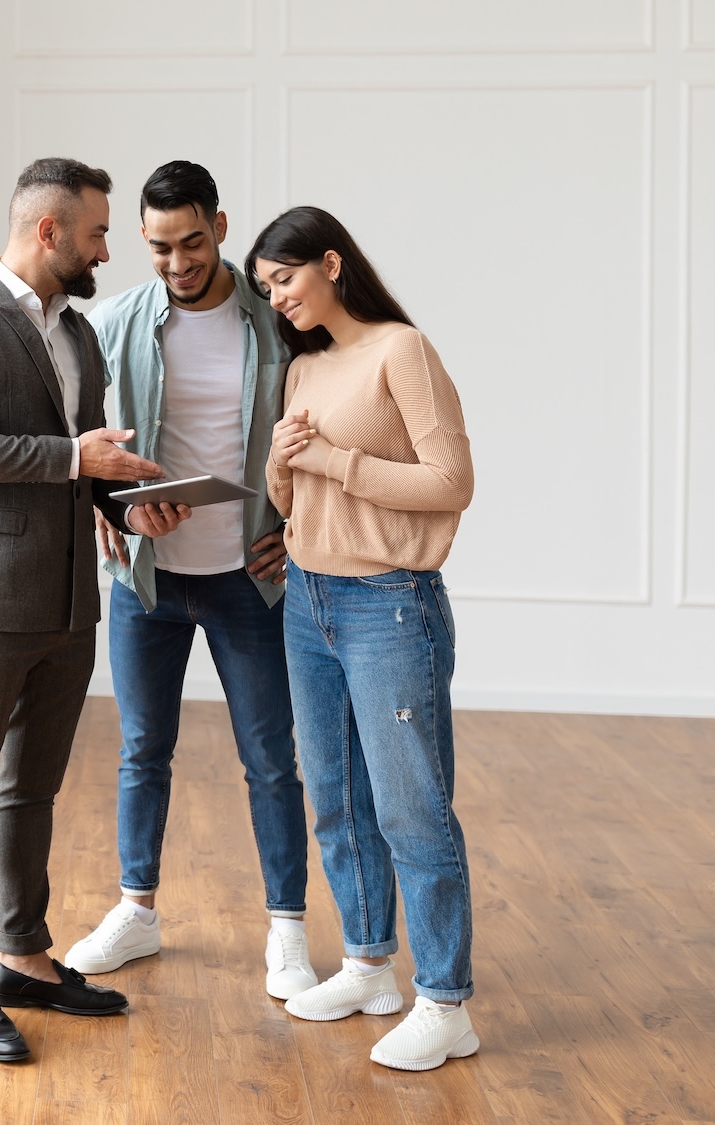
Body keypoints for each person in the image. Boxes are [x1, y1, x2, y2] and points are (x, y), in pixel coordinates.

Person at [0, 157, 161, 1063]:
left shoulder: (80, 334)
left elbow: (85, 464)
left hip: (67, 598)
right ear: (48, 230)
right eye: (97, 231)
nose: (106, 247)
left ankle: (21, 953)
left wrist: (131, 502)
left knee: (34, 786)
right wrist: (72, 461)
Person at [67, 160, 317, 1003]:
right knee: (143, 751)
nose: (176, 264)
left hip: (249, 579)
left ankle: (287, 928)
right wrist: (112, 505)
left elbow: (320, 429)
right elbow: (79, 443)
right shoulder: (115, 324)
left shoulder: (273, 322)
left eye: (192, 243)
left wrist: (296, 528)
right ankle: (137, 909)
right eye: (158, 248)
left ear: (219, 223)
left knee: (271, 761)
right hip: (149, 580)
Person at [249, 205, 479, 1071]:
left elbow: (451, 482)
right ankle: (369, 962)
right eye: (267, 288)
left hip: (389, 602)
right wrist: (282, 460)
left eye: (287, 278)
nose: (279, 299)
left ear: (332, 263)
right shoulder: (303, 367)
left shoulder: (400, 350)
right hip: (308, 597)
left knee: (411, 807)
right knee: (337, 798)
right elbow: (287, 498)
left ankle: (447, 1002)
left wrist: (333, 462)